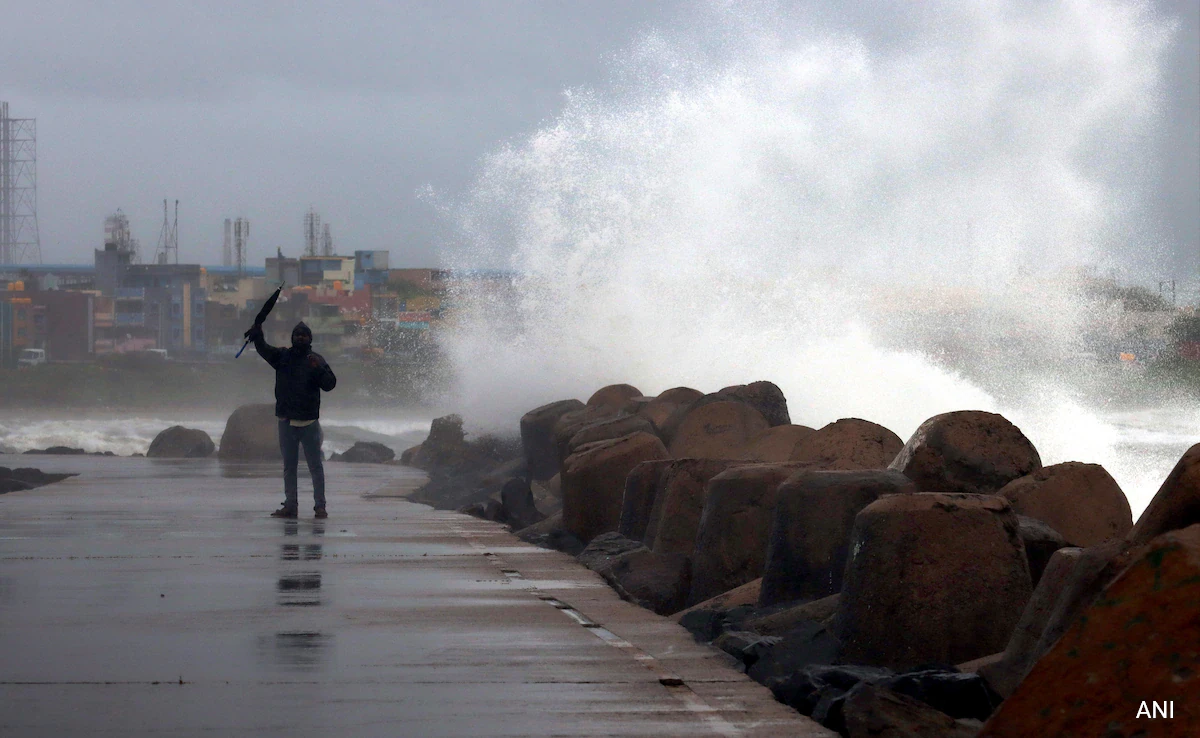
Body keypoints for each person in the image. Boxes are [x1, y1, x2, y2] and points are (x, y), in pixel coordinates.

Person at [248, 320, 337, 519]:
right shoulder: (282, 357)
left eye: (304, 335)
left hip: (309, 423)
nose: (300, 337)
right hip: (286, 422)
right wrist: (258, 336)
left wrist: (318, 369)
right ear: (292, 338)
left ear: (310, 339)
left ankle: (320, 507)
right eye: (297, 334)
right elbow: (265, 350)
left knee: (315, 467)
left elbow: (330, 384)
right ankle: (291, 506)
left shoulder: (316, 360)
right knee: (290, 467)